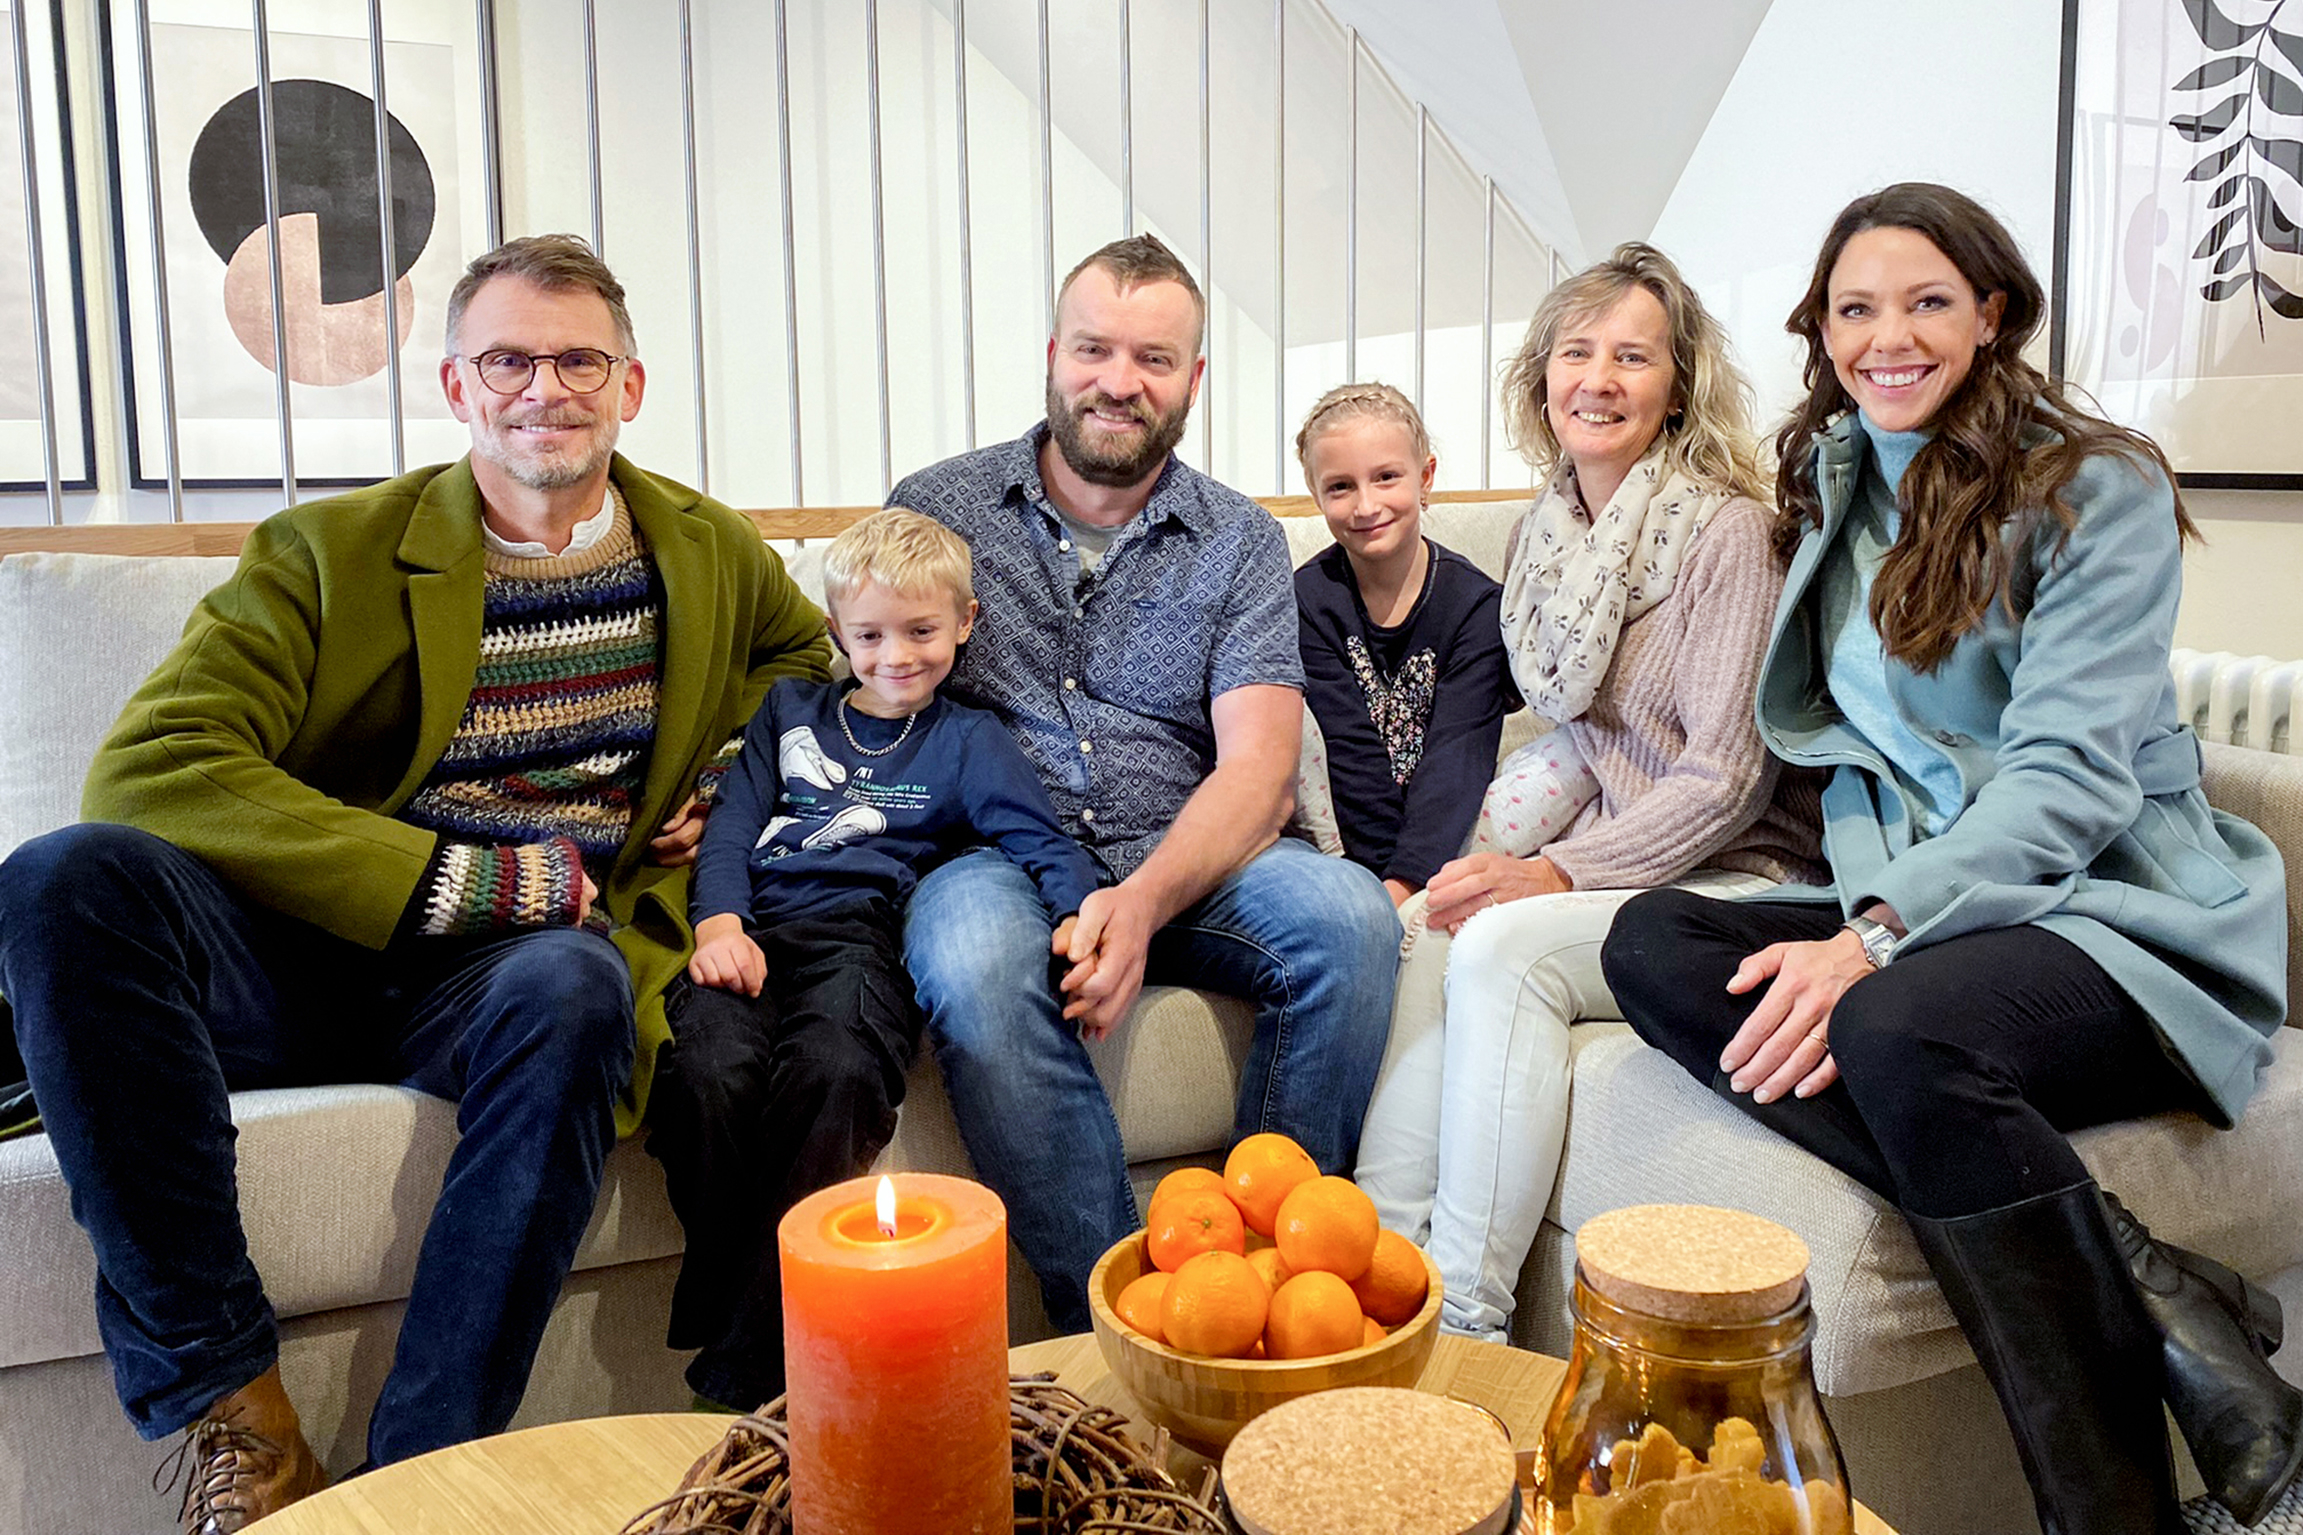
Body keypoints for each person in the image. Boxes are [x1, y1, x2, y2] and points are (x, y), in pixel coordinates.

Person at [0, 234, 830, 1532]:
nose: (541, 389)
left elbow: (826, 685)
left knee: (575, 981)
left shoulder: (706, 549)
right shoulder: (327, 551)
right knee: (61, 875)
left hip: (503, 982)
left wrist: (741, 784)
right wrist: (481, 880)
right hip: (294, 953)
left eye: (576, 360)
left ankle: (415, 1483)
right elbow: (152, 772)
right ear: (453, 385)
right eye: (506, 359)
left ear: (632, 386)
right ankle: (241, 1416)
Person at [1601, 184, 2300, 1533]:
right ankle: (2158, 1284)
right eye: (1854, 308)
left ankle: (2109, 1514)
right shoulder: (1835, 480)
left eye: (1925, 301)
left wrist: (1870, 933)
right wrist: (1850, 914)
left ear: (1988, 314)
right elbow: (1853, 747)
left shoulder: (2097, 485)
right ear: (1820, 330)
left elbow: (2065, 782)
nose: (1888, 337)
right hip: (1938, 913)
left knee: (1895, 1021)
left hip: (2118, 917)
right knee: (1652, 943)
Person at [887, 233, 1401, 1331]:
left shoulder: (1240, 540)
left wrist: (1138, 900)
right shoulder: (937, 506)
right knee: (973, 963)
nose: (1119, 381)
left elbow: (1259, 767)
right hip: (995, 852)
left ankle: (1266, 1290)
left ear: (1193, 380)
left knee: (1348, 917)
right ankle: (1113, 1324)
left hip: (1189, 850)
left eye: (1154, 359)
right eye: (1095, 349)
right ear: (1051, 354)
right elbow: (864, 687)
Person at [1352, 243, 1826, 1344]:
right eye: (1576, 352)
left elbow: (1725, 777)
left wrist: (1551, 869)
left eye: (1632, 356)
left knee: (1502, 945)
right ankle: (1376, 1274)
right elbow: (1574, 731)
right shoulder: (1543, 531)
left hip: (1746, 871)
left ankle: (1465, 1326)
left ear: (1677, 385)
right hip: (1626, 851)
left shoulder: (1727, 535)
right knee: (1428, 924)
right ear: (1542, 378)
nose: (1598, 378)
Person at [649, 508, 1102, 1411]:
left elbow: (1038, 837)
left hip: (858, 937)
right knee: (707, 1070)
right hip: (754, 928)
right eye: (869, 635)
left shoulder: (969, 741)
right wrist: (718, 924)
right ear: (835, 634)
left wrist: (1085, 914)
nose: (896, 655)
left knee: (839, 1071)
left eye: (922, 631)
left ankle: (742, 1360)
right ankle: (744, 1301)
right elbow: (733, 824)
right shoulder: (789, 710)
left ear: (965, 623)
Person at [1291, 382, 1520, 907]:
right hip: (1342, 845)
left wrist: (1410, 881)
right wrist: (1379, 891)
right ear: (1317, 498)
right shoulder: (1306, 601)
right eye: (1341, 487)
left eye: (1387, 477)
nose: (1367, 505)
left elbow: (1459, 756)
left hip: (1449, 828)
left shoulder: (1476, 607)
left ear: (1426, 478)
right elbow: (1346, 755)